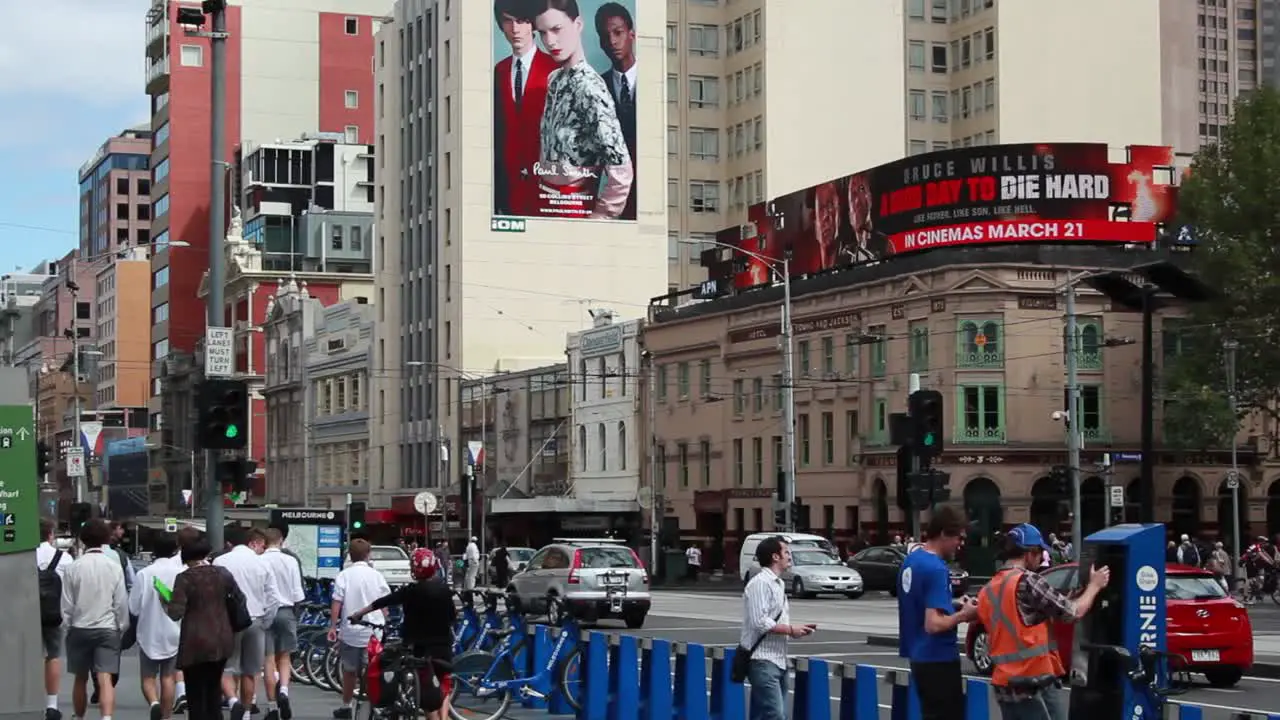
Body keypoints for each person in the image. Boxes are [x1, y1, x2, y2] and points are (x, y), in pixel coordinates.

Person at [976, 524, 1112, 720]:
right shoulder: (1027, 581)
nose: (1041, 559)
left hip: (1006, 684)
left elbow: (1020, 618)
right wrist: (1094, 586)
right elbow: (1071, 613)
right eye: (1040, 553)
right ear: (1030, 553)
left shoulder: (987, 589)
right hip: (1033, 681)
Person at [533, 0, 634, 219]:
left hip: (574, 212)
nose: (550, 41)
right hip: (544, 207)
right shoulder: (555, 79)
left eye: (557, 29)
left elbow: (621, 171)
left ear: (578, 25)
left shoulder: (590, 87)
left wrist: (599, 218)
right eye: (542, 33)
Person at [348, 548, 456, 718]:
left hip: (417, 647)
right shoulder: (444, 591)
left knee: (425, 689)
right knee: (443, 684)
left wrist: (359, 614)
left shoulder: (411, 591)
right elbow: (452, 617)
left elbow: (384, 601)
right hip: (443, 646)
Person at [896, 507, 976, 720]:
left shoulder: (912, 561)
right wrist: (964, 615)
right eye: (959, 537)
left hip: (918, 656)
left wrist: (953, 604)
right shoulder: (936, 569)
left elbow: (921, 602)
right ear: (943, 533)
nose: (961, 543)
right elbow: (933, 624)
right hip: (938, 658)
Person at [162, 536, 241, 720]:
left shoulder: (184, 578)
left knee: (195, 693)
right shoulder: (223, 574)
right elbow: (237, 599)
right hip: (222, 638)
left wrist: (165, 601)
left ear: (186, 557)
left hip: (195, 643)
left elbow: (176, 613)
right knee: (214, 688)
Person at [740, 536, 816, 720]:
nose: (790, 556)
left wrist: (796, 630)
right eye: (786, 552)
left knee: (766, 715)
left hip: (779, 660)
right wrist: (790, 630)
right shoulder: (760, 583)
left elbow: (773, 619)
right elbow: (760, 622)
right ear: (775, 556)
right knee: (776, 715)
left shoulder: (778, 583)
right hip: (762, 660)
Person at [492, 0, 555, 217]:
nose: (515, 29)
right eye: (508, 22)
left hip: (549, 193)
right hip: (506, 194)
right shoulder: (497, 72)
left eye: (521, 21)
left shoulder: (555, 70)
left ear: (534, 24)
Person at [62, 519, 129, 720]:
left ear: (83, 540)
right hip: (107, 628)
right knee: (105, 677)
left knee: (80, 678)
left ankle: (79, 716)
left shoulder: (73, 568)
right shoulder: (114, 567)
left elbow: (66, 605)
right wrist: (121, 626)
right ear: (105, 539)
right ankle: (106, 717)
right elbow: (121, 603)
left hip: (79, 628)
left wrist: (68, 627)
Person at [213, 528, 281, 720]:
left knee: (226, 668)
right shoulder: (262, 563)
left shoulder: (220, 562)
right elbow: (274, 598)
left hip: (229, 621)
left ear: (231, 544)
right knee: (251, 671)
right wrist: (265, 621)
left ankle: (233, 701)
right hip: (256, 619)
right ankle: (247, 713)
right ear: (250, 542)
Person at [328, 539, 391, 719]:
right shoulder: (376, 575)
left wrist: (333, 626)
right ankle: (372, 707)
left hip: (350, 631)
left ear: (350, 554)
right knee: (371, 672)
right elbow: (385, 603)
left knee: (349, 671)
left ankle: (346, 706)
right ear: (368, 554)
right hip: (373, 632)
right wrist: (386, 618)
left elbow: (337, 603)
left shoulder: (344, 575)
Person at [130, 532, 185, 720]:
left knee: (148, 678)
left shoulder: (144, 574)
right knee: (168, 678)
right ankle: (166, 716)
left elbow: (134, 607)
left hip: (148, 632)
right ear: (176, 550)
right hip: (175, 632)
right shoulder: (181, 573)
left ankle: (154, 703)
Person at [594, 1, 637, 220]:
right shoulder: (596, 89)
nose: (612, 41)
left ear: (632, 34)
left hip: (649, 199)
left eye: (618, 32)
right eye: (605, 36)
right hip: (611, 206)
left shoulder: (655, 81)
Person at [261, 528, 306, 720]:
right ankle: (285, 690)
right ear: (281, 541)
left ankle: (272, 707)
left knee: (268, 659)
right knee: (285, 657)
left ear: (264, 542)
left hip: (265, 613)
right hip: (286, 611)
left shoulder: (259, 561)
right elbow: (298, 594)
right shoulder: (290, 561)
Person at [38, 517, 73, 720]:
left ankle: (28, 700)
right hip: (54, 614)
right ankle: (52, 705)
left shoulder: (25, 554)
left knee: (27, 657)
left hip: (26, 614)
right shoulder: (64, 558)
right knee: (53, 656)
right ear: (51, 535)